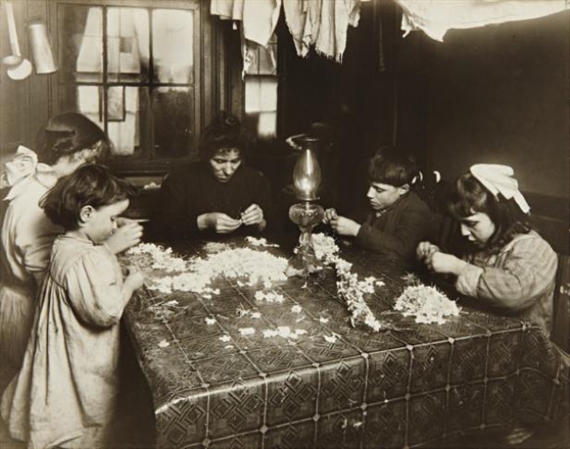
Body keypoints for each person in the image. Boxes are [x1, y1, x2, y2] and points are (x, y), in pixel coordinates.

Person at [1, 164, 145, 449]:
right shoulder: (89, 259)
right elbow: (105, 312)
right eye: (114, 219)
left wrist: (108, 255)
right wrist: (130, 284)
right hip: (82, 351)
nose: (117, 226)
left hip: (59, 343)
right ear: (86, 214)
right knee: (85, 402)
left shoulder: (63, 244)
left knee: (58, 393)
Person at [0, 113, 142, 389]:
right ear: (72, 155)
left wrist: (105, 224)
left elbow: (68, 238)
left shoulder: (45, 188)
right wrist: (109, 247)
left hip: (29, 302)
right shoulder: (36, 204)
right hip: (30, 312)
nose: (90, 169)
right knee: (50, 395)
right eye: (89, 161)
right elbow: (55, 277)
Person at [416, 164, 558, 336]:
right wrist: (434, 256)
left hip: (523, 346)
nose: (463, 232)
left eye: (472, 224)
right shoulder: (481, 243)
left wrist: (458, 267)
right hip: (481, 335)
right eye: (460, 223)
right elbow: (464, 278)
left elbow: (513, 293)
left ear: (500, 216)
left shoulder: (536, 249)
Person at [151, 112, 273, 239]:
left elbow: (277, 231)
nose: (229, 170)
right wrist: (203, 222)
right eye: (220, 161)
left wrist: (260, 223)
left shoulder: (256, 180)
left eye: (235, 161)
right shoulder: (179, 179)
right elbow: (159, 230)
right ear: (206, 156)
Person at [323, 147, 433, 268]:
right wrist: (334, 218)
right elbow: (353, 221)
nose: (369, 194)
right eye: (370, 186)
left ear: (403, 189)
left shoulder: (417, 210)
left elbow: (402, 250)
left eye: (379, 190)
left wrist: (356, 230)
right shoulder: (376, 202)